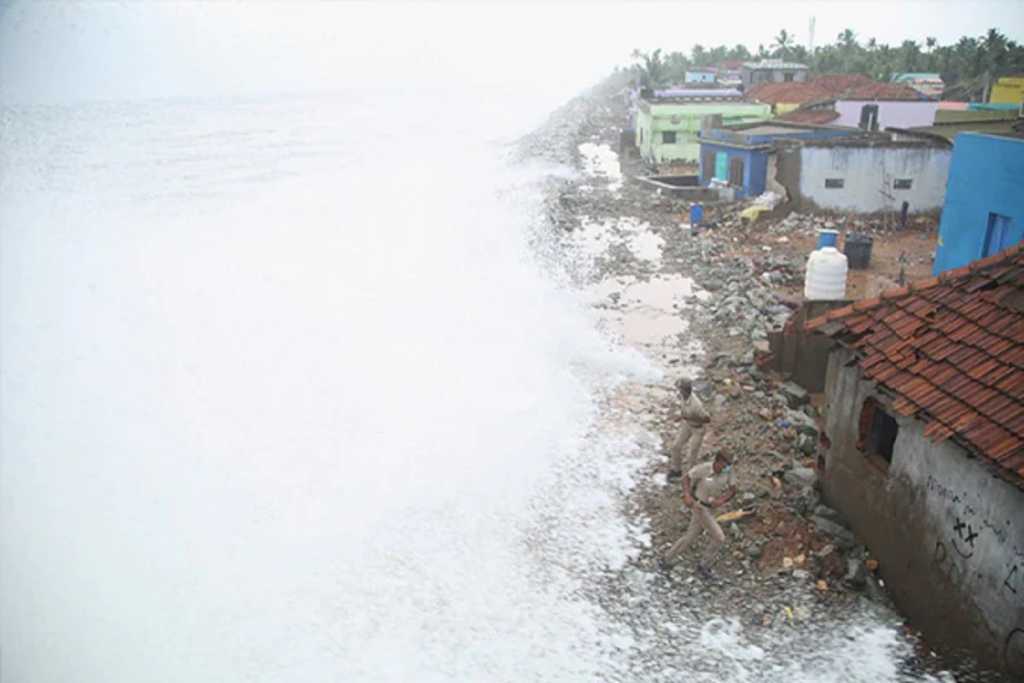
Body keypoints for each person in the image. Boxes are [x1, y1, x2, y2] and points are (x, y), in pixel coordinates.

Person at [659, 452, 737, 578]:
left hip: (711, 509)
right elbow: (686, 478)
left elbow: (733, 490)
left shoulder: (728, 473)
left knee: (690, 537)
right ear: (718, 461)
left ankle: (666, 559)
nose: (727, 467)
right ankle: (704, 565)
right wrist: (687, 495)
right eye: (725, 464)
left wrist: (721, 500)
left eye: (729, 465)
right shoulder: (704, 469)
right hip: (699, 507)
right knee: (719, 537)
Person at [667, 377, 710, 480]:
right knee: (675, 446)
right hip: (687, 425)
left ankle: (691, 477)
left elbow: (707, 419)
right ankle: (676, 470)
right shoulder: (683, 397)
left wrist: (690, 417)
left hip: (698, 429)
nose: (679, 391)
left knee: (692, 454)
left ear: (685, 390)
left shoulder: (697, 405)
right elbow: (684, 410)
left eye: (680, 389)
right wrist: (681, 417)